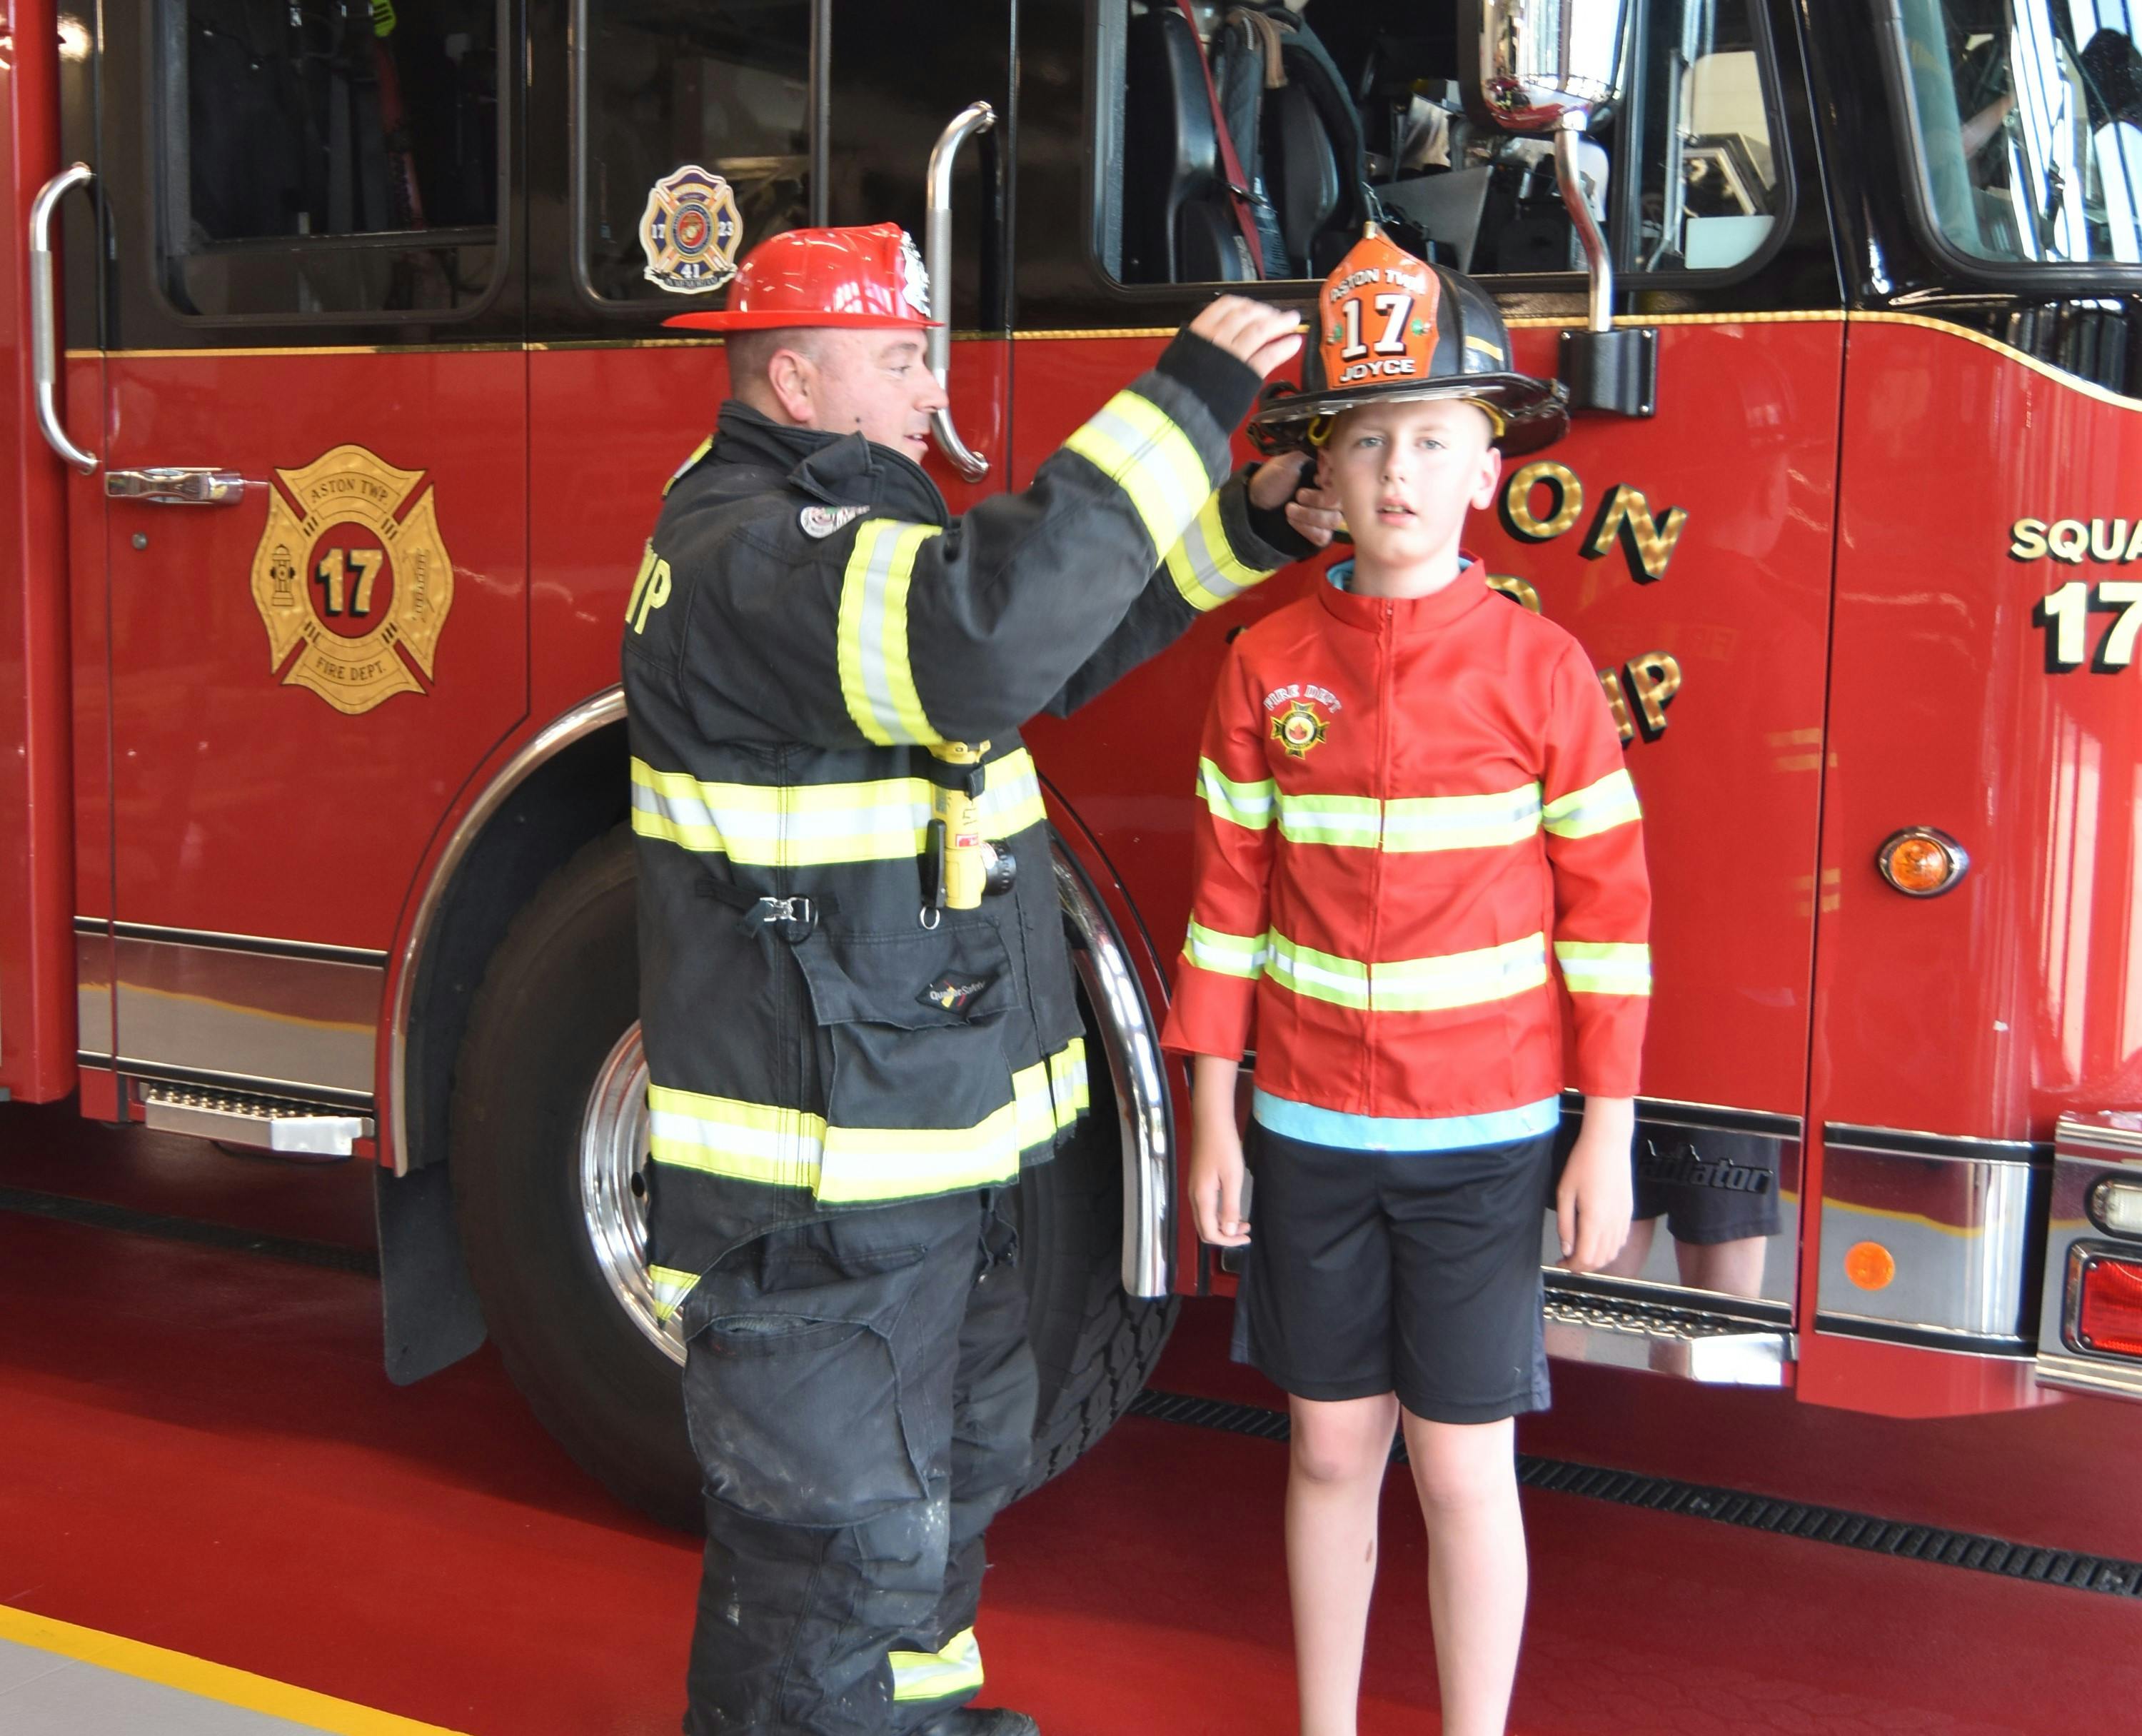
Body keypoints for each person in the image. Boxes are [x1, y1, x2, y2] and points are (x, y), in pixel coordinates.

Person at [621, 219, 1322, 1736]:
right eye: (896, 355)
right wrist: (1188, 397)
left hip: (920, 1151)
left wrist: (1252, 521)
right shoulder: (751, 553)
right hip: (827, 1190)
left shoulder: (845, 535)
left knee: (942, 1485)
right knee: (839, 1542)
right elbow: (982, 631)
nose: (925, 379)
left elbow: (1047, 647)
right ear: (795, 375)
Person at [1163, 226, 1651, 1736]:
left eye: (1434, 439)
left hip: (1485, 1145)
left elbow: (1611, 918)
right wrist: (1215, 1118)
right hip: (1309, 1135)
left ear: (1486, 466)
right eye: (1369, 439)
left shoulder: (1541, 673)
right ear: (1326, 468)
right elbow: (1227, 910)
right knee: (1324, 1452)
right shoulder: (1264, 668)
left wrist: (1607, 1131)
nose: (1398, 474)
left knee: (1458, 1466)